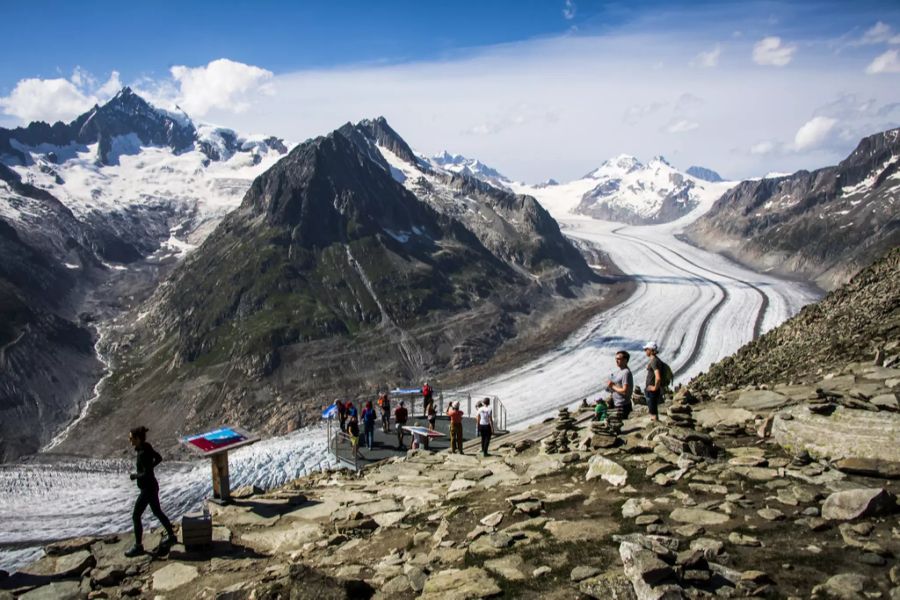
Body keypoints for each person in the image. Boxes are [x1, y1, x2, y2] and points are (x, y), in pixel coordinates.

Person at [125, 426, 176, 557]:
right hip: (152, 486)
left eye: (131, 438)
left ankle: (138, 546)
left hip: (147, 489)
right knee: (157, 512)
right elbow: (158, 458)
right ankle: (171, 536)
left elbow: (145, 474)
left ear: (137, 439)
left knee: (136, 515)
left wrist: (135, 476)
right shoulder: (147, 446)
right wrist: (150, 468)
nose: (130, 441)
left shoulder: (142, 453)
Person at [605, 350, 634, 420]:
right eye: (616, 359)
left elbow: (625, 391)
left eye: (618, 359)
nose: (616, 361)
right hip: (617, 403)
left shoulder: (626, 373)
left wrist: (612, 386)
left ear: (625, 360)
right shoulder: (620, 371)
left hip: (623, 405)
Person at [643, 342, 663, 422]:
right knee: (653, 410)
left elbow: (658, 378)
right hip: (652, 390)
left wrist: (654, 388)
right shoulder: (655, 360)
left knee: (653, 412)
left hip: (652, 391)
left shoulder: (654, 361)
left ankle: (654, 425)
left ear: (651, 350)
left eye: (646, 349)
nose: (645, 351)